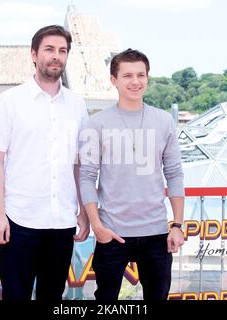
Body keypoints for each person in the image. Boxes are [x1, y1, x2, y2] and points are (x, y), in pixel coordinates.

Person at [0, 25, 90, 301]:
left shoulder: (77, 105)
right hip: (19, 220)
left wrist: (83, 209)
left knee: (53, 296)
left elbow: (78, 163)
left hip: (62, 221)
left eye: (62, 51)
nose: (56, 56)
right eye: (49, 49)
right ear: (34, 55)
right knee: (15, 295)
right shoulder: (10, 101)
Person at [79, 49, 185, 301]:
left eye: (140, 75)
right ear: (113, 80)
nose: (135, 81)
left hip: (157, 232)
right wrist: (97, 226)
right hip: (112, 232)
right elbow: (86, 176)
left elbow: (174, 174)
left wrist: (178, 225)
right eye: (127, 75)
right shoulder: (97, 123)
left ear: (148, 77)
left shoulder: (164, 121)